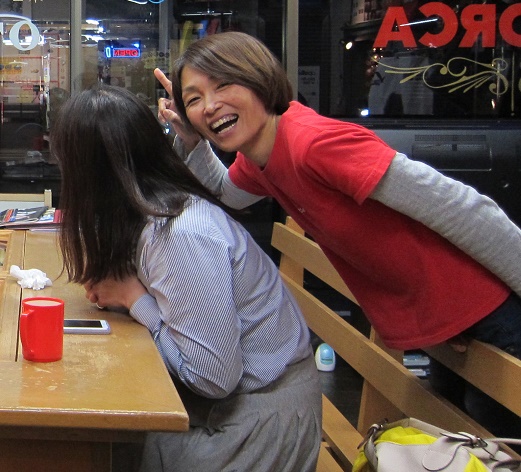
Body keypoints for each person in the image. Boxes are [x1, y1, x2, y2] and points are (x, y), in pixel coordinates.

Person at [153, 31, 521, 437]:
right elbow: (228, 194)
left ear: (259, 79)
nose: (210, 105)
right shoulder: (261, 156)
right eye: (193, 99)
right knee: (468, 448)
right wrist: (192, 142)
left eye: (224, 85)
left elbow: (464, 209)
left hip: (492, 313)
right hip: (449, 324)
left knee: (496, 448)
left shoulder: (315, 143)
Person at [49, 84, 322, 472]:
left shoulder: (180, 234)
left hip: (254, 427)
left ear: (92, 174)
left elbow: (212, 378)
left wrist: (134, 298)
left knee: (82, 446)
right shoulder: (153, 210)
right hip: (227, 409)